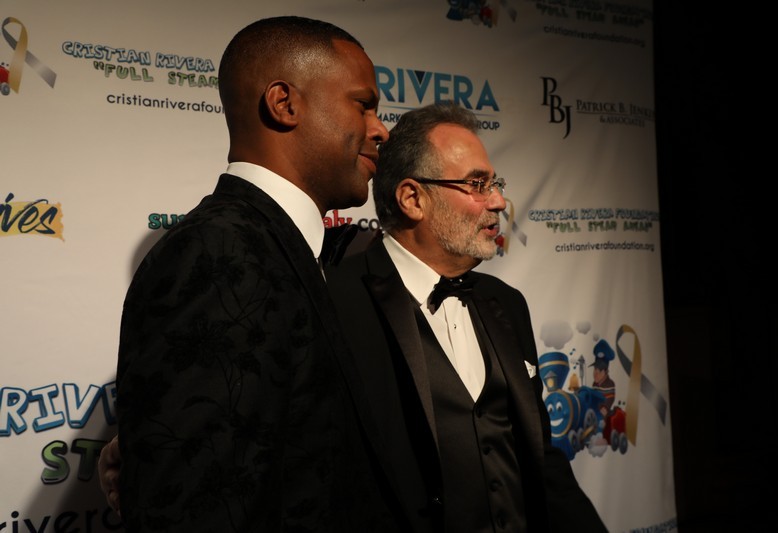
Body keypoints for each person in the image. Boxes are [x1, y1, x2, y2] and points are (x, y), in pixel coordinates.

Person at [112, 16, 401, 532]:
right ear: (284, 104)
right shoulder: (220, 253)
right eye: (363, 104)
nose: (381, 129)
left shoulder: (282, 247)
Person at [325, 101, 607, 532]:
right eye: (477, 184)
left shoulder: (506, 303)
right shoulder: (338, 302)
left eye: (495, 184)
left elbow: (539, 456)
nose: (499, 201)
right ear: (413, 199)